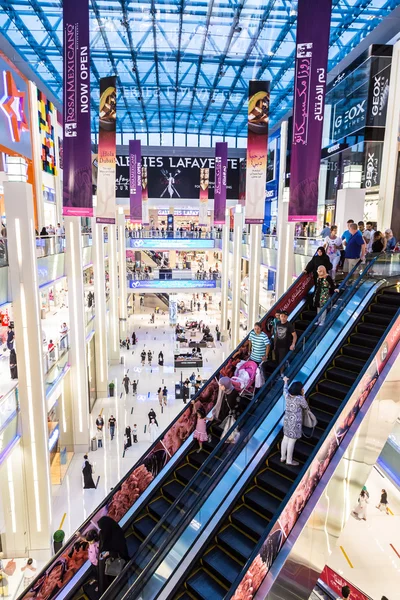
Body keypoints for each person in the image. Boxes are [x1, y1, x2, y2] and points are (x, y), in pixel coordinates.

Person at [280, 377, 308, 466]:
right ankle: (289, 460)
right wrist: (303, 395)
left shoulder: (287, 395)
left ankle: (282, 457)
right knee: (291, 441)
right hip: (295, 422)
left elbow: (285, 389)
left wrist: (285, 381)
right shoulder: (299, 398)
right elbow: (305, 406)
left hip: (287, 420)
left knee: (285, 439)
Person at [98, 516, 129, 593]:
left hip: (115, 564)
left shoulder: (117, 536)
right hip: (106, 565)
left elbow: (122, 552)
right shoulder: (106, 532)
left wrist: (110, 553)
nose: (101, 530)